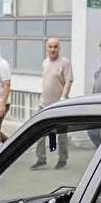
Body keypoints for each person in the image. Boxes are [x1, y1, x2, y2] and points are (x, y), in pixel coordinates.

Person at [32, 37, 74, 170]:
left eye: (55, 47)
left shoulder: (65, 62)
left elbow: (68, 81)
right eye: (50, 47)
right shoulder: (45, 62)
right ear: (47, 48)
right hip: (44, 104)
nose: (52, 49)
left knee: (61, 135)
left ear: (59, 48)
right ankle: (41, 159)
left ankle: (62, 159)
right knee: (39, 132)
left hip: (60, 105)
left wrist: (63, 98)